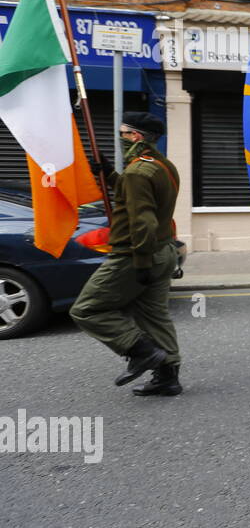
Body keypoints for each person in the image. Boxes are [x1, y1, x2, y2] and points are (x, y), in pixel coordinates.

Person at [70, 112, 183, 396]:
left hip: (135, 256)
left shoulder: (137, 171)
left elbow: (142, 219)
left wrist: (141, 262)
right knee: (155, 316)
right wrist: (109, 173)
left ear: (136, 137)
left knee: (86, 309)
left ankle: (141, 351)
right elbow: (134, 194)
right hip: (163, 250)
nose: (119, 139)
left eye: (123, 134)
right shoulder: (160, 165)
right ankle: (167, 377)